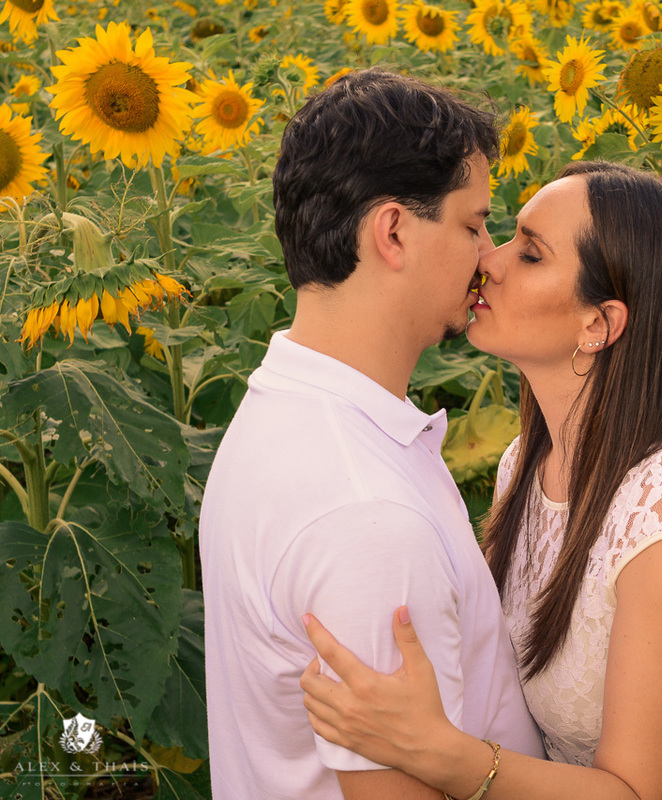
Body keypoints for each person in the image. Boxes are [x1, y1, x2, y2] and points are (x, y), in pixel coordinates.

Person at [299, 161, 662, 800]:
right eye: (507, 235)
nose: (490, 259)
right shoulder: (526, 464)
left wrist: (437, 753)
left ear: (598, 325)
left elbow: (631, 794)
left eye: (532, 253)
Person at [198, 68, 547, 800]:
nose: (489, 254)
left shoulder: (285, 413)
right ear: (392, 231)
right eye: (473, 222)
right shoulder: (365, 515)